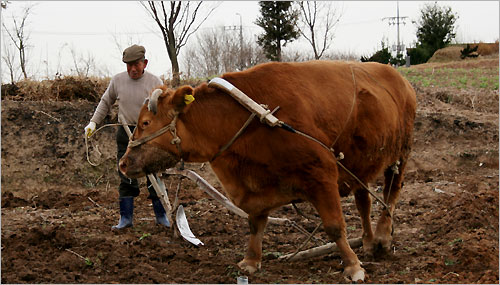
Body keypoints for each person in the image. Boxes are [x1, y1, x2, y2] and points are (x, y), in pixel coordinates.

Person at [84, 44, 170, 230]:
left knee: (154, 174)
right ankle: (126, 219)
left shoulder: (155, 82)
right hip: (126, 132)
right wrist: (93, 123)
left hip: (149, 135)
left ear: (144, 63)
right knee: (125, 172)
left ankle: (162, 216)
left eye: (136, 64)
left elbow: (165, 109)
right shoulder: (118, 81)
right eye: (128, 65)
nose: (132, 69)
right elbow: (106, 101)